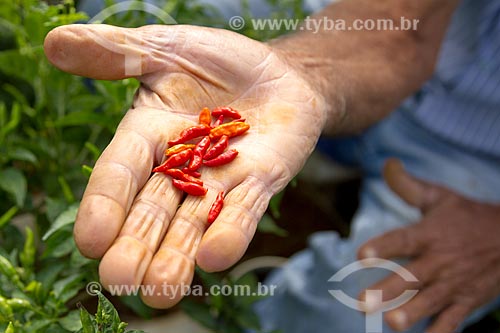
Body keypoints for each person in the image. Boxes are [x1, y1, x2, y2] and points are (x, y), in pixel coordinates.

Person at [43, 0, 500, 332]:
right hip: (351, 43)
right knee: (118, 9)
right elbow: (403, 25)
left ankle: (248, 319)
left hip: (479, 155)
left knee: (355, 317)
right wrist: (301, 73)